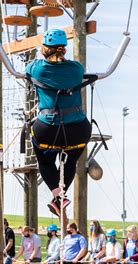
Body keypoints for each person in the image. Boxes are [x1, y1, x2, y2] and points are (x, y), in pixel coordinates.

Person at [26, 29, 92, 218]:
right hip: (78, 130)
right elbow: (73, 69)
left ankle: (58, 195)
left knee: (45, 160)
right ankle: (59, 198)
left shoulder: (37, 68)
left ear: (45, 49)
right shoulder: (76, 68)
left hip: (48, 128)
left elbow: (31, 68)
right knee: (71, 159)